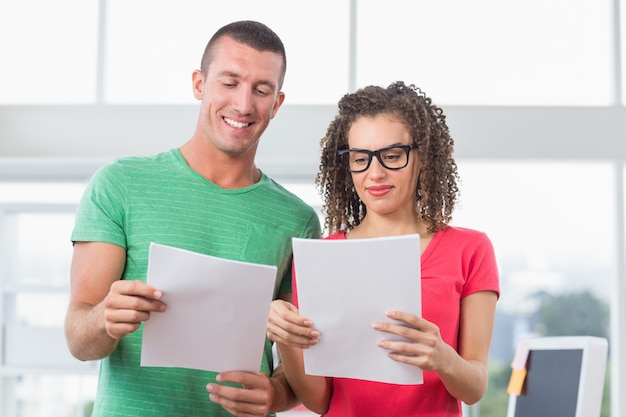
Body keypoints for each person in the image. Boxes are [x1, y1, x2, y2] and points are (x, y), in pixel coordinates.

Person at [64, 20, 321, 417]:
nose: (244, 104)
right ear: (200, 84)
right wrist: (103, 318)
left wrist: (277, 394)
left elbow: (297, 361)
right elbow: (80, 341)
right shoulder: (121, 185)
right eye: (230, 82)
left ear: (277, 103)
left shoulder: (298, 220)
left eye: (261, 90)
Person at [267, 81, 500, 416]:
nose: (375, 173)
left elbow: (475, 387)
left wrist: (443, 357)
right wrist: (286, 338)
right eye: (360, 159)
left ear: (423, 157)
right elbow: (319, 400)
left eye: (392, 156)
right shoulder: (322, 257)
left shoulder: (470, 249)